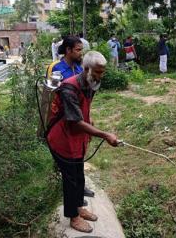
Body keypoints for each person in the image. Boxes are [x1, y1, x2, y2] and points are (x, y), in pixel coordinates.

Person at [47, 51, 119, 233]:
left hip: (76, 138)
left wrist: (89, 117)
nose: (101, 76)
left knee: (79, 175)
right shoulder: (69, 88)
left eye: (102, 72)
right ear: (86, 69)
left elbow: (84, 108)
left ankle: (79, 206)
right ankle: (73, 217)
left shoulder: (90, 82)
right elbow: (75, 122)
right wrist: (105, 134)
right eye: (97, 72)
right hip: (62, 138)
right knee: (70, 179)